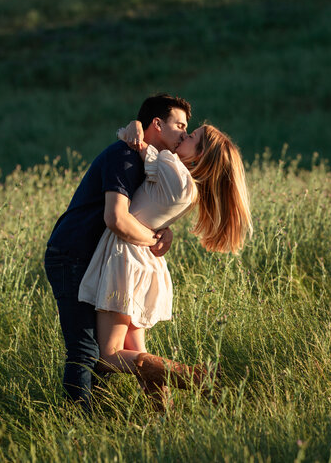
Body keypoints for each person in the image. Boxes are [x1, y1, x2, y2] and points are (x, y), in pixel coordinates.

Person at [78, 122, 253, 408]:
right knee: (137, 350)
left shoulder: (172, 167)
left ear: (199, 156)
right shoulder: (191, 190)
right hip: (143, 263)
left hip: (124, 260)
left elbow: (141, 145)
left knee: (109, 356)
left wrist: (135, 127)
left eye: (192, 136)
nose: (184, 135)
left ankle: (194, 378)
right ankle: (162, 415)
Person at [43, 94, 192, 411]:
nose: (183, 134)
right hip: (73, 253)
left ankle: (123, 418)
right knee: (85, 351)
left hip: (106, 259)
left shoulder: (150, 162)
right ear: (156, 124)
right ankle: (76, 427)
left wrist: (167, 232)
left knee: (112, 351)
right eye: (179, 125)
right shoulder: (124, 156)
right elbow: (117, 218)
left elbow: (146, 212)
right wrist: (153, 238)